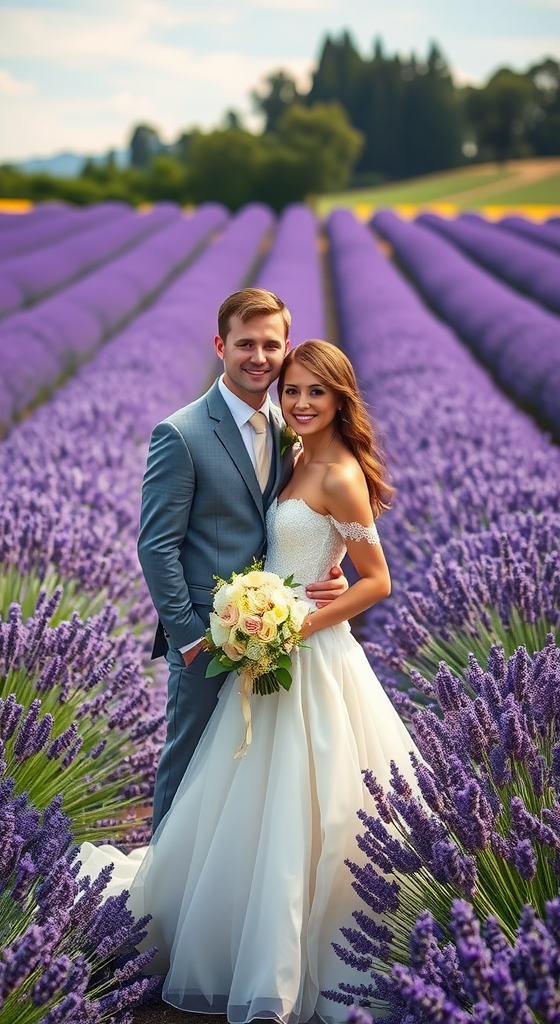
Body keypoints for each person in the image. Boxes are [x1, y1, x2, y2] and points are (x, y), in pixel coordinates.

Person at [80, 339, 421, 1024]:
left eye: (314, 393)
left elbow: (377, 580)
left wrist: (297, 625)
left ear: (340, 399)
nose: (298, 403)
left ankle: (299, 960)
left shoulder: (341, 473)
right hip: (271, 653)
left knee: (318, 805)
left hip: (311, 656)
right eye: (291, 391)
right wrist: (260, 612)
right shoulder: (295, 456)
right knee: (251, 802)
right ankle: (232, 937)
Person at [137, 288, 347, 830]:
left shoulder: (289, 430)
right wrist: (188, 639)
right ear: (219, 345)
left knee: (253, 774)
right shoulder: (181, 434)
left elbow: (300, 521)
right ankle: (163, 900)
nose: (259, 357)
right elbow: (156, 546)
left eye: (271, 345)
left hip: (276, 636)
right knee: (188, 766)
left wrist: (331, 569)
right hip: (209, 637)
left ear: (286, 349)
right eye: (245, 344)